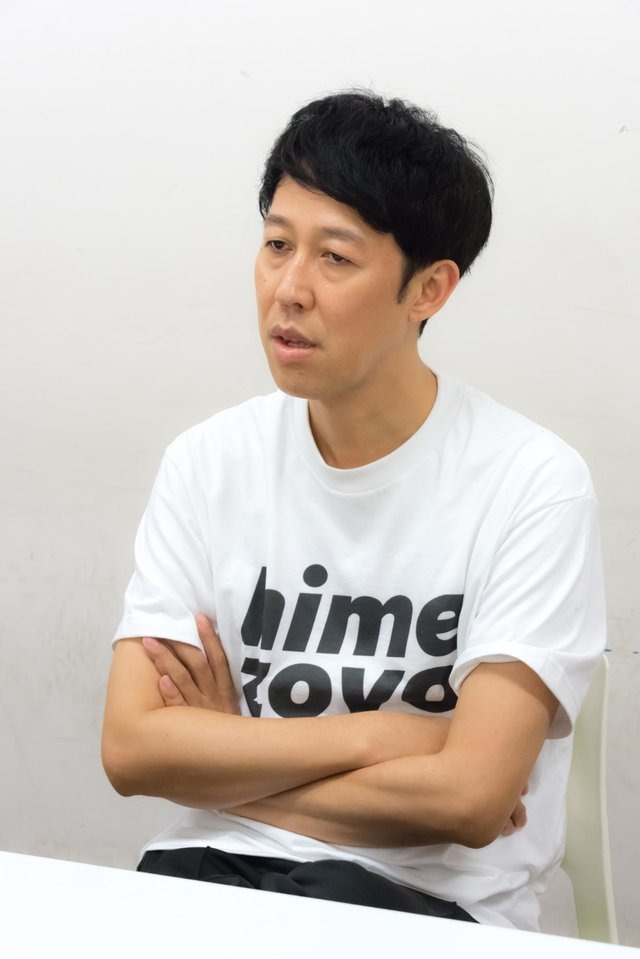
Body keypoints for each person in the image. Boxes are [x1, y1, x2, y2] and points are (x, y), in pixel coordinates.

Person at [102, 90, 605, 930]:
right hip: (205, 871)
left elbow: (472, 797)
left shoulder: (532, 482)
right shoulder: (207, 461)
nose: (288, 289)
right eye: (276, 245)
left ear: (429, 288)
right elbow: (131, 749)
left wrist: (227, 754)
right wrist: (388, 735)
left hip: (426, 903)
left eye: (335, 257)